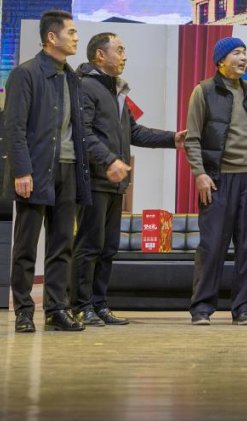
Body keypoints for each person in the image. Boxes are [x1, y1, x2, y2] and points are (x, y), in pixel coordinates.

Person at [72, 33, 187, 326]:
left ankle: (99, 305)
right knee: (89, 246)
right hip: (92, 182)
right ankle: (80, 306)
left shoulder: (117, 91)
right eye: (120, 50)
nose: (125, 56)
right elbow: (82, 133)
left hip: (114, 184)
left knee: (108, 247)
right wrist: (109, 160)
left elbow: (134, 132)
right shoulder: (84, 87)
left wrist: (172, 139)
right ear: (100, 55)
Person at [4, 9, 91, 333]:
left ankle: (56, 310)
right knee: (26, 246)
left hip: (68, 169)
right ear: (51, 37)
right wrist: (21, 171)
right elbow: (14, 128)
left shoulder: (72, 77)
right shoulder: (26, 74)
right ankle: (24, 311)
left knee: (61, 244)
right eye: (71, 32)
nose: (76, 38)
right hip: (36, 170)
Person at [184, 37, 247, 326]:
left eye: (245, 53)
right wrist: (200, 173)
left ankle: (244, 310)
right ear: (221, 60)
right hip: (217, 180)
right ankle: (201, 309)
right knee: (211, 247)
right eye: (236, 53)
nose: (243, 58)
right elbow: (193, 138)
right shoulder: (203, 91)